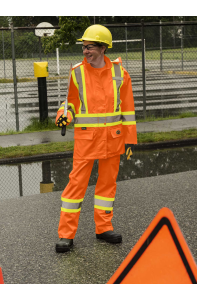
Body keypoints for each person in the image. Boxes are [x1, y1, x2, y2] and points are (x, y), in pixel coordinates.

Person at [55, 24, 137, 253]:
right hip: (87, 140)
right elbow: (70, 102)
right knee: (75, 187)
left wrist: (130, 140)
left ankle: (104, 228)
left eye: (89, 47)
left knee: (107, 187)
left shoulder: (121, 73)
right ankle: (66, 235)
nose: (85, 51)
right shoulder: (77, 72)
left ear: (103, 48)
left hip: (113, 139)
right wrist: (64, 114)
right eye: (83, 47)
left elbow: (128, 111)